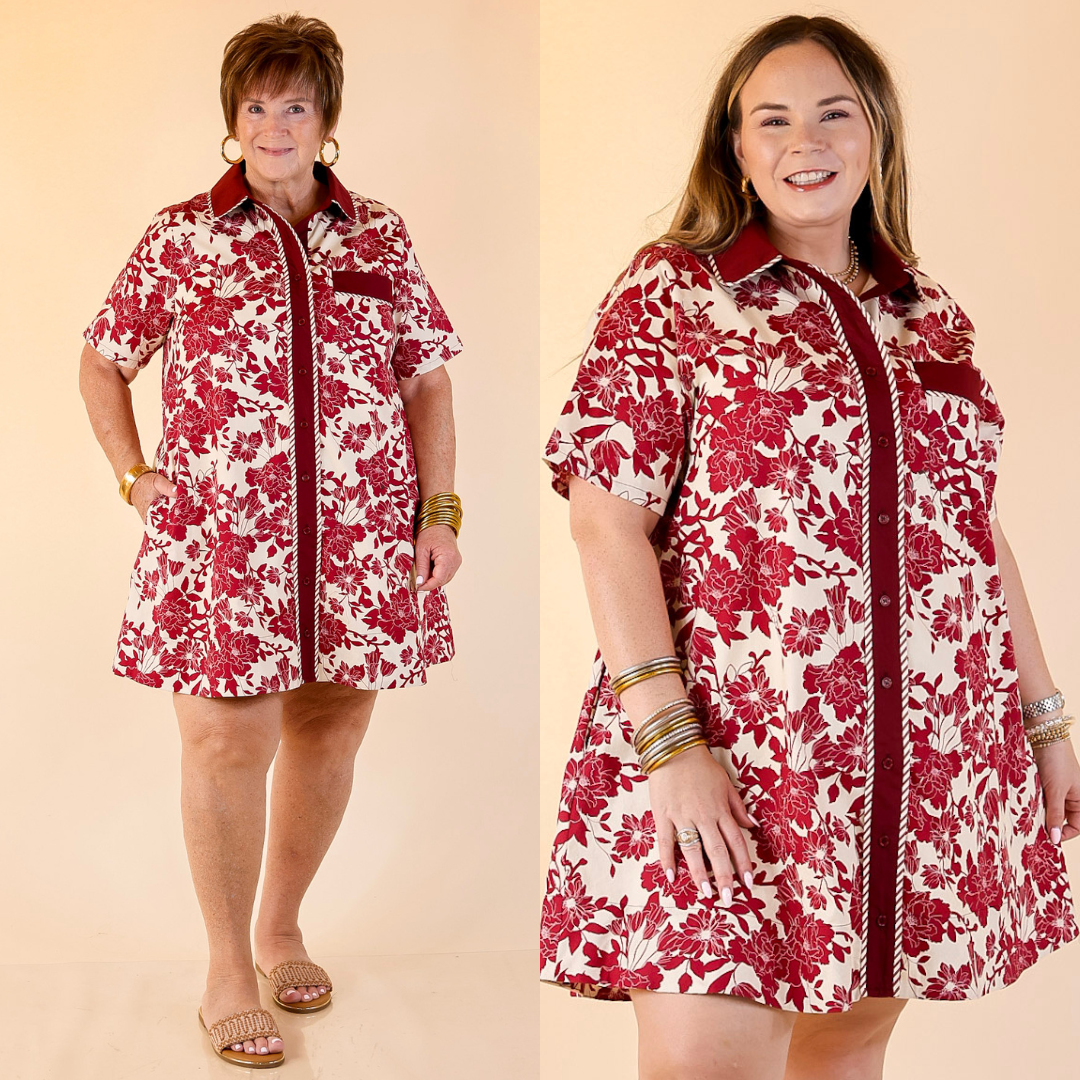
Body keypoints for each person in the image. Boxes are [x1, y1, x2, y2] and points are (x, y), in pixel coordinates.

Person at [539, 14, 1079, 1079]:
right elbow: (606, 517)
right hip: (736, 750)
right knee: (703, 1057)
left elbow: (973, 529)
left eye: (835, 114)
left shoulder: (930, 315)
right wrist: (670, 746)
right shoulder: (673, 292)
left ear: (876, 135)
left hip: (921, 762)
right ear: (734, 148)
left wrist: (1045, 719)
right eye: (773, 120)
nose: (807, 142)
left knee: (845, 1049)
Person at [79, 14, 463, 1068]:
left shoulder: (378, 233)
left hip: (361, 540)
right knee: (223, 740)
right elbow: (104, 358)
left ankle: (282, 930)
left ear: (327, 120)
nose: (275, 125)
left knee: (330, 729)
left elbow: (426, 377)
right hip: (225, 542)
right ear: (232, 119)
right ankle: (225, 970)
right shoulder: (181, 236)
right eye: (256, 105)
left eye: (295, 104)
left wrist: (439, 510)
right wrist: (134, 474)